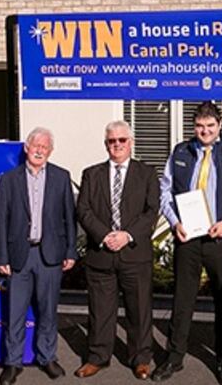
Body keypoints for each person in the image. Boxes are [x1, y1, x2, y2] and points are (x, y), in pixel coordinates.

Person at [151, 101, 222, 385]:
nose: (204, 131)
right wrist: (175, 223)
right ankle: (174, 358)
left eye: (210, 126)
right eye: (199, 126)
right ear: (193, 127)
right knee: (182, 299)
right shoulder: (180, 152)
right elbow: (165, 192)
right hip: (188, 237)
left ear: (219, 126)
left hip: (219, 237)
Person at [74, 121, 161, 380]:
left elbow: (151, 211)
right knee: (100, 310)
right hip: (101, 254)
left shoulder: (146, 173)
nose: (117, 145)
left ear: (131, 142)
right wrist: (104, 236)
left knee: (139, 309)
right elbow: (84, 210)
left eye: (122, 140)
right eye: (112, 141)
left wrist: (126, 235)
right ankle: (98, 357)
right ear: (106, 144)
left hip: (134, 253)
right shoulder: (92, 174)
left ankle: (141, 358)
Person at [0, 128, 78, 384]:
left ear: (50, 151)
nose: (40, 150)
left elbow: (69, 218)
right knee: (16, 313)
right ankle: (12, 362)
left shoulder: (61, 177)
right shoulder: (9, 179)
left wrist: (71, 251)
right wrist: (2, 257)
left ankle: (47, 357)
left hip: (50, 255)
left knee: (48, 312)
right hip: (20, 256)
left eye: (45, 146)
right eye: (36, 145)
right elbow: (1, 222)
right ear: (27, 148)